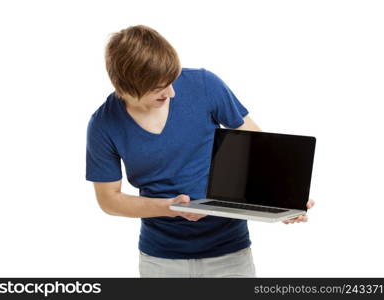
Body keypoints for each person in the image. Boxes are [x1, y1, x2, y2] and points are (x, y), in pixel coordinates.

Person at [86, 25, 315, 278]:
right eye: (160, 88)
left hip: (230, 253)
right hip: (160, 260)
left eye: (172, 81)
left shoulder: (205, 84)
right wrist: (169, 207)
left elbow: (255, 141)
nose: (172, 92)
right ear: (128, 88)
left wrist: (282, 197)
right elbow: (109, 200)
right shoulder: (103, 124)